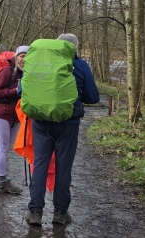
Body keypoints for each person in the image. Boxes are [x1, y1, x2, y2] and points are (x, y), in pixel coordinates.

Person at [25, 33, 99, 227]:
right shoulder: (80, 65)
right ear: (74, 47)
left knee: (40, 164)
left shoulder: (39, 64)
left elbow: (23, 91)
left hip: (41, 122)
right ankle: (60, 213)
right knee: (63, 166)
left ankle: (35, 212)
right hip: (68, 123)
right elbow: (93, 97)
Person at [0, 45, 29, 194]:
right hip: (1, 114)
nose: (24, 59)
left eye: (27, 56)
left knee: (6, 148)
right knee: (3, 147)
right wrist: (15, 91)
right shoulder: (7, 71)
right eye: (22, 56)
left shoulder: (27, 74)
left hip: (15, 116)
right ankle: (2, 181)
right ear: (16, 57)